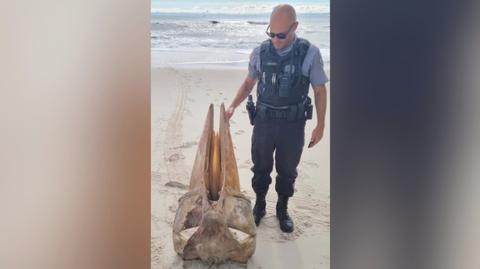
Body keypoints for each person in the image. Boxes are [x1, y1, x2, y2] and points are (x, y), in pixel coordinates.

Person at [225, 4, 328, 233]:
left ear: (295, 27)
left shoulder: (310, 53)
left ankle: (282, 209)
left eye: (281, 35)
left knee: (287, 170)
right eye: (271, 33)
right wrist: (233, 105)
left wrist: (320, 125)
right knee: (260, 166)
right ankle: (260, 205)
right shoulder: (260, 52)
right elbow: (249, 82)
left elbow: (320, 90)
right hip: (264, 122)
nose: (276, 40)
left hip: (293, 124)